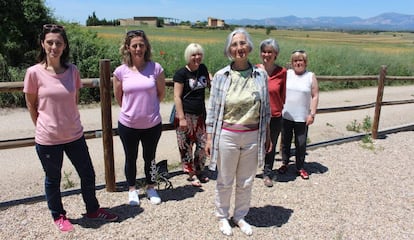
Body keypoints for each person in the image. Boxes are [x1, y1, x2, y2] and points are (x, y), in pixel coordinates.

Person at [23, 24, 118, 233]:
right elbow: (31, 103)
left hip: (74, 134)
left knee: (88, 173)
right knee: (53, 179)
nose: (54, 47)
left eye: (58, 43)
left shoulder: (72, 70)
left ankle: (92, 209)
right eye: (50, 42)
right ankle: (58, 215)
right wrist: (40, 125)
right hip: (48, 138)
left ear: (64, 46)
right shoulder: (34, 73)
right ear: (42, 44)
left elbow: (74, 99)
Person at [205, 28, 271, 236]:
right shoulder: (221, 76)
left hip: (252, 135)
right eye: (234, 44)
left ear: (249, 47)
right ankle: (222, 215)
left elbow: (266, 109)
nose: (239, 48)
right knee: (225, 179)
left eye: (242, 43)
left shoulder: (261, 75)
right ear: (229, 49)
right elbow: (213, 110)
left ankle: (240, 215)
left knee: (246, 180)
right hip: (227, 134)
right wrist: (209, 138)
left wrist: (267, 136)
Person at [113, 30, 166, 206]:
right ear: (128, 47)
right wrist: (133, 110)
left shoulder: (156, 68)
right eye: (134, 45)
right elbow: (119, 97)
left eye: (141, 45)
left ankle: (151, 187)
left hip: (152, 123)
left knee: (150, 157)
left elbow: (161, 94)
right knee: (130, 157)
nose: (138, 49)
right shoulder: (120, 72)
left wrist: (148, 109)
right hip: (128, 124)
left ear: (146, 47)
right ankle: (132, 189)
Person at [172, 43, 210, 187]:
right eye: (193, 55)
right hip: (186, 114)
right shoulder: (181, 73)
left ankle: (199, 170)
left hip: (200, 114)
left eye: (199, 54)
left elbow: (208, 80)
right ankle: (191, 173)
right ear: (188, 56)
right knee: (186, 145)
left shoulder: (203, 69)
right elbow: (177, 97)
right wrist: (181, 118)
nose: (197, 57)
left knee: (202, 144)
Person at [278, 50, 319, 180]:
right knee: (285, 141)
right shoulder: (287, 74)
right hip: (286, 114)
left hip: (302, 117)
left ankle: (299, 167)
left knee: (301, 143)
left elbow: (315, 96)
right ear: (292, 63)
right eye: (295, 61)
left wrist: (312, 114)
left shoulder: (310, 76)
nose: (298, 63)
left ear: (305, 62)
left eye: (300, 60)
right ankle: (284, 163)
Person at [257, 38, 287, 187]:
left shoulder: (282, 72)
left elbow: (283, 94)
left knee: (270, 144)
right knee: (253, 144)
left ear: (276, 54)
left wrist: (278, 108)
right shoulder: (255, 70)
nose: (266, 54)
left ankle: (267, 172)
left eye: (270, 52)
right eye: (264, 51)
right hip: (256, 115)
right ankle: (248, 171)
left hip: (275, 115)